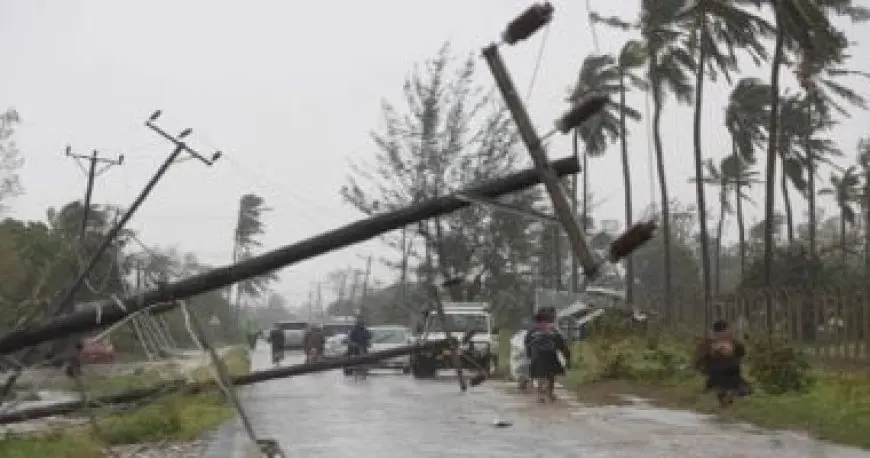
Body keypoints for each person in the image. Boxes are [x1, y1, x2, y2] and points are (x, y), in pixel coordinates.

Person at [693, 319, 751, 407]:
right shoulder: (711, 343)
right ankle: (727, 398)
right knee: (734, 387)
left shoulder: (713, 342)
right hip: (723, 373)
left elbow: (742, 353)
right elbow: (742, 353)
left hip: (725, 373)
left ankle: (727, 398)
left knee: (736, 388)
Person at [524, 309, 571, 403]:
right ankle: (548, 393)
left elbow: (527, 344)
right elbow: (562, 345)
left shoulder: (532, 332)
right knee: (550, 375)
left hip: (539, 356)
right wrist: (567, 357)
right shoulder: (553, 331)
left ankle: (541, 395)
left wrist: (529, 356)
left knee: (541, 375)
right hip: (548, 355)